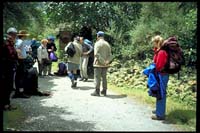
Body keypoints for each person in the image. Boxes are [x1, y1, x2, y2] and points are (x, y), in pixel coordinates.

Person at [151, 35, 169, 120]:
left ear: (157, 42)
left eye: (153, 42)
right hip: (161, 75)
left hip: (162, 75)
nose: (152, 44)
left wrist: (152, 67)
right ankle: (159, 110)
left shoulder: (162, 52)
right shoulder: (159, 51)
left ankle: (160, 115)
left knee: (161, 94)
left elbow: (158, 66)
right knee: (159, 93)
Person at [1, 27, 18, 110]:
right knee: (5, 86)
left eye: (15, 35)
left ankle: (7, 103)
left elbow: (13, 54)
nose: (15, 36)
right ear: (10, 34)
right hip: (5, 68)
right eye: (14, 34)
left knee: (9, 86)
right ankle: (5, 105)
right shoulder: (5, 43)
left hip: (10, 67)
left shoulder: (11, 43)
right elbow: (9, 54)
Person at [91, 31, 113, 96]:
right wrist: (107, 61)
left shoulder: (97, 43)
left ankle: (97, 91)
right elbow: (110, 55)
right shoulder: (107, 44)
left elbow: (96, 54)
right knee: (104, 78)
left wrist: (102, 62)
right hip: (106, 64)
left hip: (98, 64)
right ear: (103, 36)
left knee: (97, 78)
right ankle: (104, 91)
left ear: (98, 36)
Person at [13, 30, 30, 98]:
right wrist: (19, 56)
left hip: (20, 60)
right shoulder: (20, 41)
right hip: (20, 60)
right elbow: (16, 48)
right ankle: (20, 93)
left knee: (18, 77)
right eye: (25, 35)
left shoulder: (18, 41)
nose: (26, 37)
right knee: (20, 77)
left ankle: (18, 92)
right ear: (23, 36)